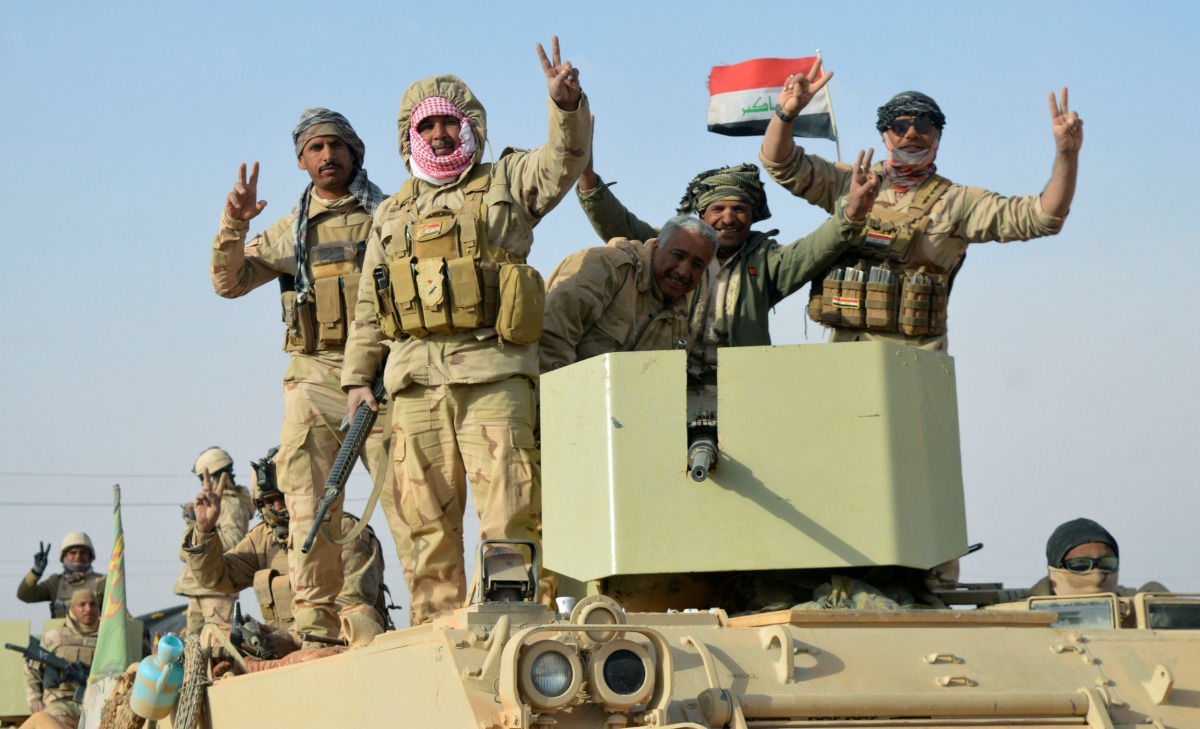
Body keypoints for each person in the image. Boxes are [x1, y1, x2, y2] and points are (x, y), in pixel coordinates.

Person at [341, 37, 590, 625]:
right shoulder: (391, 212)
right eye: (425, 128)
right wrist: (356, 379)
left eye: (448, 124)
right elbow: (370, 305)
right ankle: (437, 639)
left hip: (493, 376)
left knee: (510, 513)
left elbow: (566, 159)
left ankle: (514, 631)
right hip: (414, 387)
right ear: (409, 137)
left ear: (470, 125)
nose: (437, 137)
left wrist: (566, 105)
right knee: (424, 523)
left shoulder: (507, 181)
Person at [210, 108, 394, 642]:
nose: (327, 155)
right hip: (314, 377)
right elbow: (229, 281)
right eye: (315, 148)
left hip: (381, 379)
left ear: (355, 153)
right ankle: (315, 626)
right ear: (301, 161)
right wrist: (235, 223)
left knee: (409, 494)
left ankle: (432, 609)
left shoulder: (388, 215)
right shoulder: (290, 230)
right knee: (309, 504)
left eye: (336, 145)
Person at [759, 61, 1083, 350]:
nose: (912, 133)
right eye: (900, 126)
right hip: (848, 356)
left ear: (937, 134)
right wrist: (786, 114)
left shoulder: (959, 203)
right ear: (886, 134)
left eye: (924, 125)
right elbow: (781, 163)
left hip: (916, 361)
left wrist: (1067, 154)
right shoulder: (852, 183)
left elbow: (1043, 217)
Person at [577, 147, 877, 414]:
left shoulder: (767, 262)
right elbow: (621, 224)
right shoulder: (672, 250)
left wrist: (851, 212)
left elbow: (812, 250)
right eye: (718, 209)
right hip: (668, 388)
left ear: (752, 216)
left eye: (740, 210)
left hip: (742, 395)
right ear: (701, 215)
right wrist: (588, 179)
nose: (729, 218)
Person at [181, 446, 389, 638]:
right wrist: (204, 529)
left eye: (284, 497)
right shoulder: (262, 538)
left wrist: (292, 639)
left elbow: (351, 606)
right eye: (270, 501)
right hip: (285, 651)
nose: (278, 507)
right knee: (214, 637)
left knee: (362, 614)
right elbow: (217, 578)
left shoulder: (343, 532)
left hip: (336, 644)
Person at [540, 216, 718, 372]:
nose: (684, 272)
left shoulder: (680, 321)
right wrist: (557, 404)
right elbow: (550, 337)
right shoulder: (606, 268)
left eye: (697, 265)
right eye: (678, 256)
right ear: (657, 249)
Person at [174, 446, 252, 634]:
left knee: (218, 647)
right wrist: (196, 523)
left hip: (218, 588)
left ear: (216, 476)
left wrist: (205, 529)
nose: (203, 483)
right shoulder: (215, 503)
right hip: (200, 586)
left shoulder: (231, 505)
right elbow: (187, 553)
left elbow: (234, 542)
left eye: (204, 478)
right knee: (194, 649)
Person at [1033, 517, 1167, 597]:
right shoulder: (1023, 617)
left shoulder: (1137, 612)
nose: (1097, 575)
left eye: (1106, 563)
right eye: (1080, 564)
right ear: (1056, 568)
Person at [21, 589, 98, 729]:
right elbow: (31, 670)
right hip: (60, 703)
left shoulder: (107, 640)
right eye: (82, 604)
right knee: (54, 720)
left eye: (93, 604)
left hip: (96, 704)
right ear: (72, 608)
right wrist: (34, 699)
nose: (88, 609)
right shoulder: (55, 637)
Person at [16, 533, 105, 619]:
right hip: (61, 632)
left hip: (94, 633)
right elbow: (24, 595)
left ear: (90, 556)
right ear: (64, 556)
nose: (78, 556)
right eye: (73, 553)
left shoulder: (103, 581)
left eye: (83, 553)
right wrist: (35, 571)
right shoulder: (55, 582)